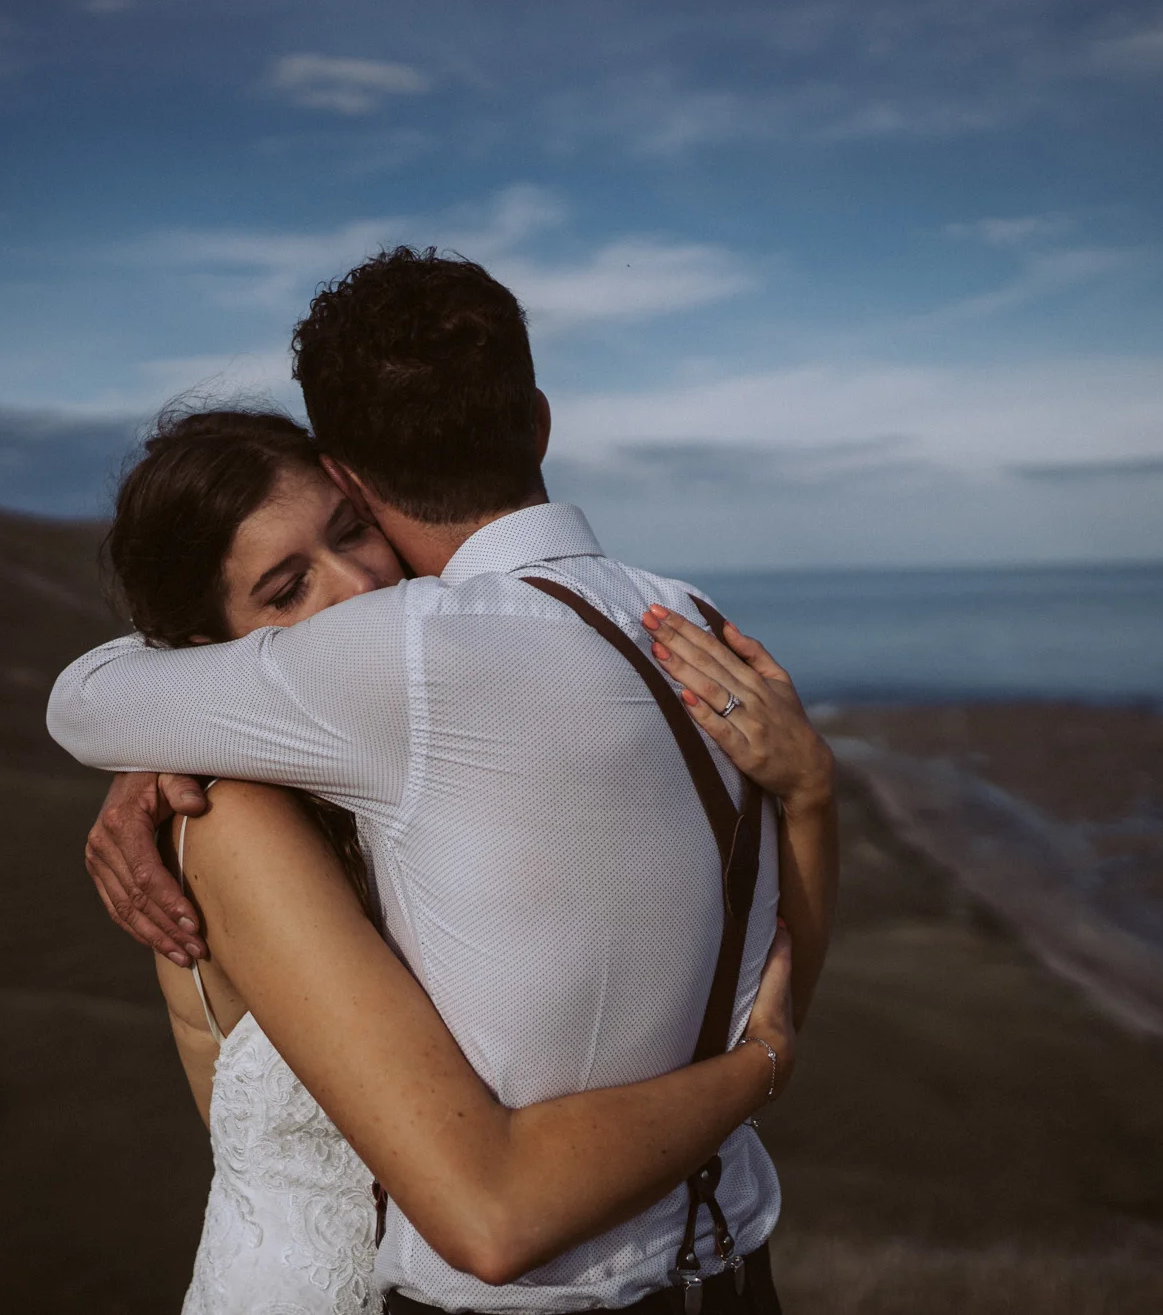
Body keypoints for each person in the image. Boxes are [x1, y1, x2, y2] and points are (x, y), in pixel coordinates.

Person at [50, 247, 838, 1313]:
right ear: (541, 422)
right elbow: (771, 991)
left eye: (350, 535)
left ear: (356, 484)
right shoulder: (691, 622)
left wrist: (170, 722)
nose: (353, 590)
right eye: (286, 588)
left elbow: (86, 698)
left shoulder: (398, 670)